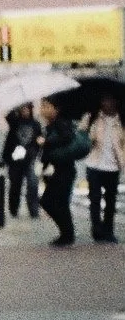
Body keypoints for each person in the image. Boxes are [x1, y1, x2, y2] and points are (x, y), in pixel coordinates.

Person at [36, 97, 89, 246]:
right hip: (56, 170)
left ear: (56, 109)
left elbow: (66, 137)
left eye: (47, 106)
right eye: (42, 106)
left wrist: (46, 141)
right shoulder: (50, 125)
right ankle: (66, 234)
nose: (43, 110)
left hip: (64, 170)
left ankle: (67, 234)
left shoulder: (61, 122)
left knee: (51, 202)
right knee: (55, 202)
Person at [85, 94, 122, 243]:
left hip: (113, 166)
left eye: (109, 100)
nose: (106, 103)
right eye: (104, 100)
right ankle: (96, 229)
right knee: (94, 198)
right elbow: (89, 140)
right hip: (94, 165)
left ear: (116, 102)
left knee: (110, 200)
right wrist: (88, 126)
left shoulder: (121, 122)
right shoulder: (95, 119)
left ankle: (109, 231)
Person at [0, 104, 41, 228]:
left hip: (30, 159)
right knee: (15, 185)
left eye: (27, 109)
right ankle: (13, 209)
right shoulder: (15, 122)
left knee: (32, 184)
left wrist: (35, 151)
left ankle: (34, 210)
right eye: (23, 109)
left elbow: (38, 139)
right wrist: (15, 105)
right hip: (15, 159)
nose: (25, 111)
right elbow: (9, 117)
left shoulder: (35, 124)